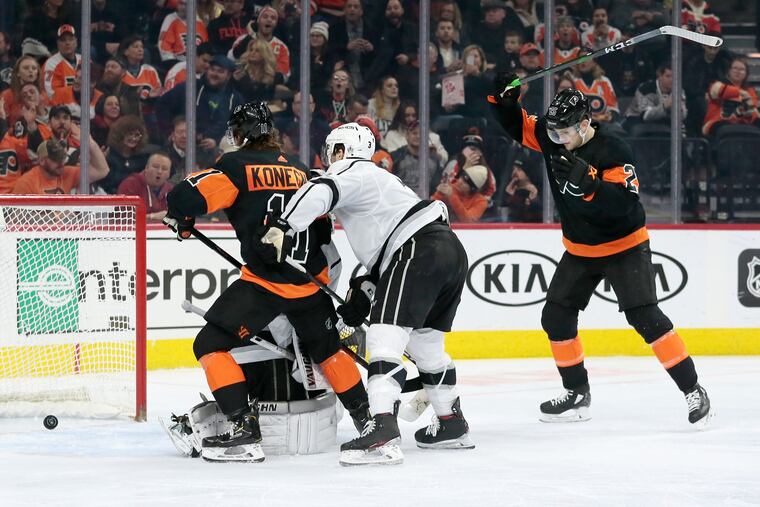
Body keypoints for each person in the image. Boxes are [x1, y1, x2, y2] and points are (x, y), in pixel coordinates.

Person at [489, 72, 712, 428]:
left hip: (625, 246)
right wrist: (502, 102)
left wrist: (592, 185)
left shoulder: (614, 149)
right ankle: (577, 393)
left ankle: (693, 389)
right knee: (555, 317)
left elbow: (624, 203)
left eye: (564, 134)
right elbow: (520, 127)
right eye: (554, 134)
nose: (558, 141)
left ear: (584, 124)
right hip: (580, 249)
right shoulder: (553, 135)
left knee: (645, 318)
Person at [163, 102, 370, 462]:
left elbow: (184, 196)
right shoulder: (301, 169)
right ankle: (369, 421)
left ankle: (244, 430)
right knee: (329, 351)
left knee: (209, 345)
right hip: (310, 284)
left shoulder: (235, 166)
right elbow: (324, 228)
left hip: (265, 286)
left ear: (239, 134)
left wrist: (181, 218)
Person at [258, 122, 475, 466]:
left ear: (340, 150)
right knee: (426, 346)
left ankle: (383, 430)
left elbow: (322, 188)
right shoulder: (378, 181)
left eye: (332, 152)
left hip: (416, 250)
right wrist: (363, 292)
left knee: (383, 338)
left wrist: (283, 226)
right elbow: (382, 247)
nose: (330, 160)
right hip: (447, 250)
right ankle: (451, 423)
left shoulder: (352, 170)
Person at [12, 137, 109, 195]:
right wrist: (54, 217)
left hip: (64, 223)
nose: (61, 163)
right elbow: (16, 218)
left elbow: (102, 171)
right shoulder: (26, 182)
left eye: (62, 158)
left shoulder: (66, 173)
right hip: (40, 224)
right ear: (41, 160)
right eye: (56, 159)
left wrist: (89, 141)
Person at [702, 58, 760, 137]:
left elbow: (752, 111)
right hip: (716, 122)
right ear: (729, 71)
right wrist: (740, 92)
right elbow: (716, 91)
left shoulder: (750, 91)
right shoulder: (717, 85)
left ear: (746, 74)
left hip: (741, 124)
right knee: (728, 127)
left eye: (742, 69)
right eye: (735, 68)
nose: (738, 71)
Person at [117, 151, 173, 221]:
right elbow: (124, 218)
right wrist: (152, 217)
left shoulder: (172, 191)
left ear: (169, 174)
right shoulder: (130, 185)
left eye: (164, 169)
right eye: (155, 167)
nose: (159, 171)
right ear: (146, 168)